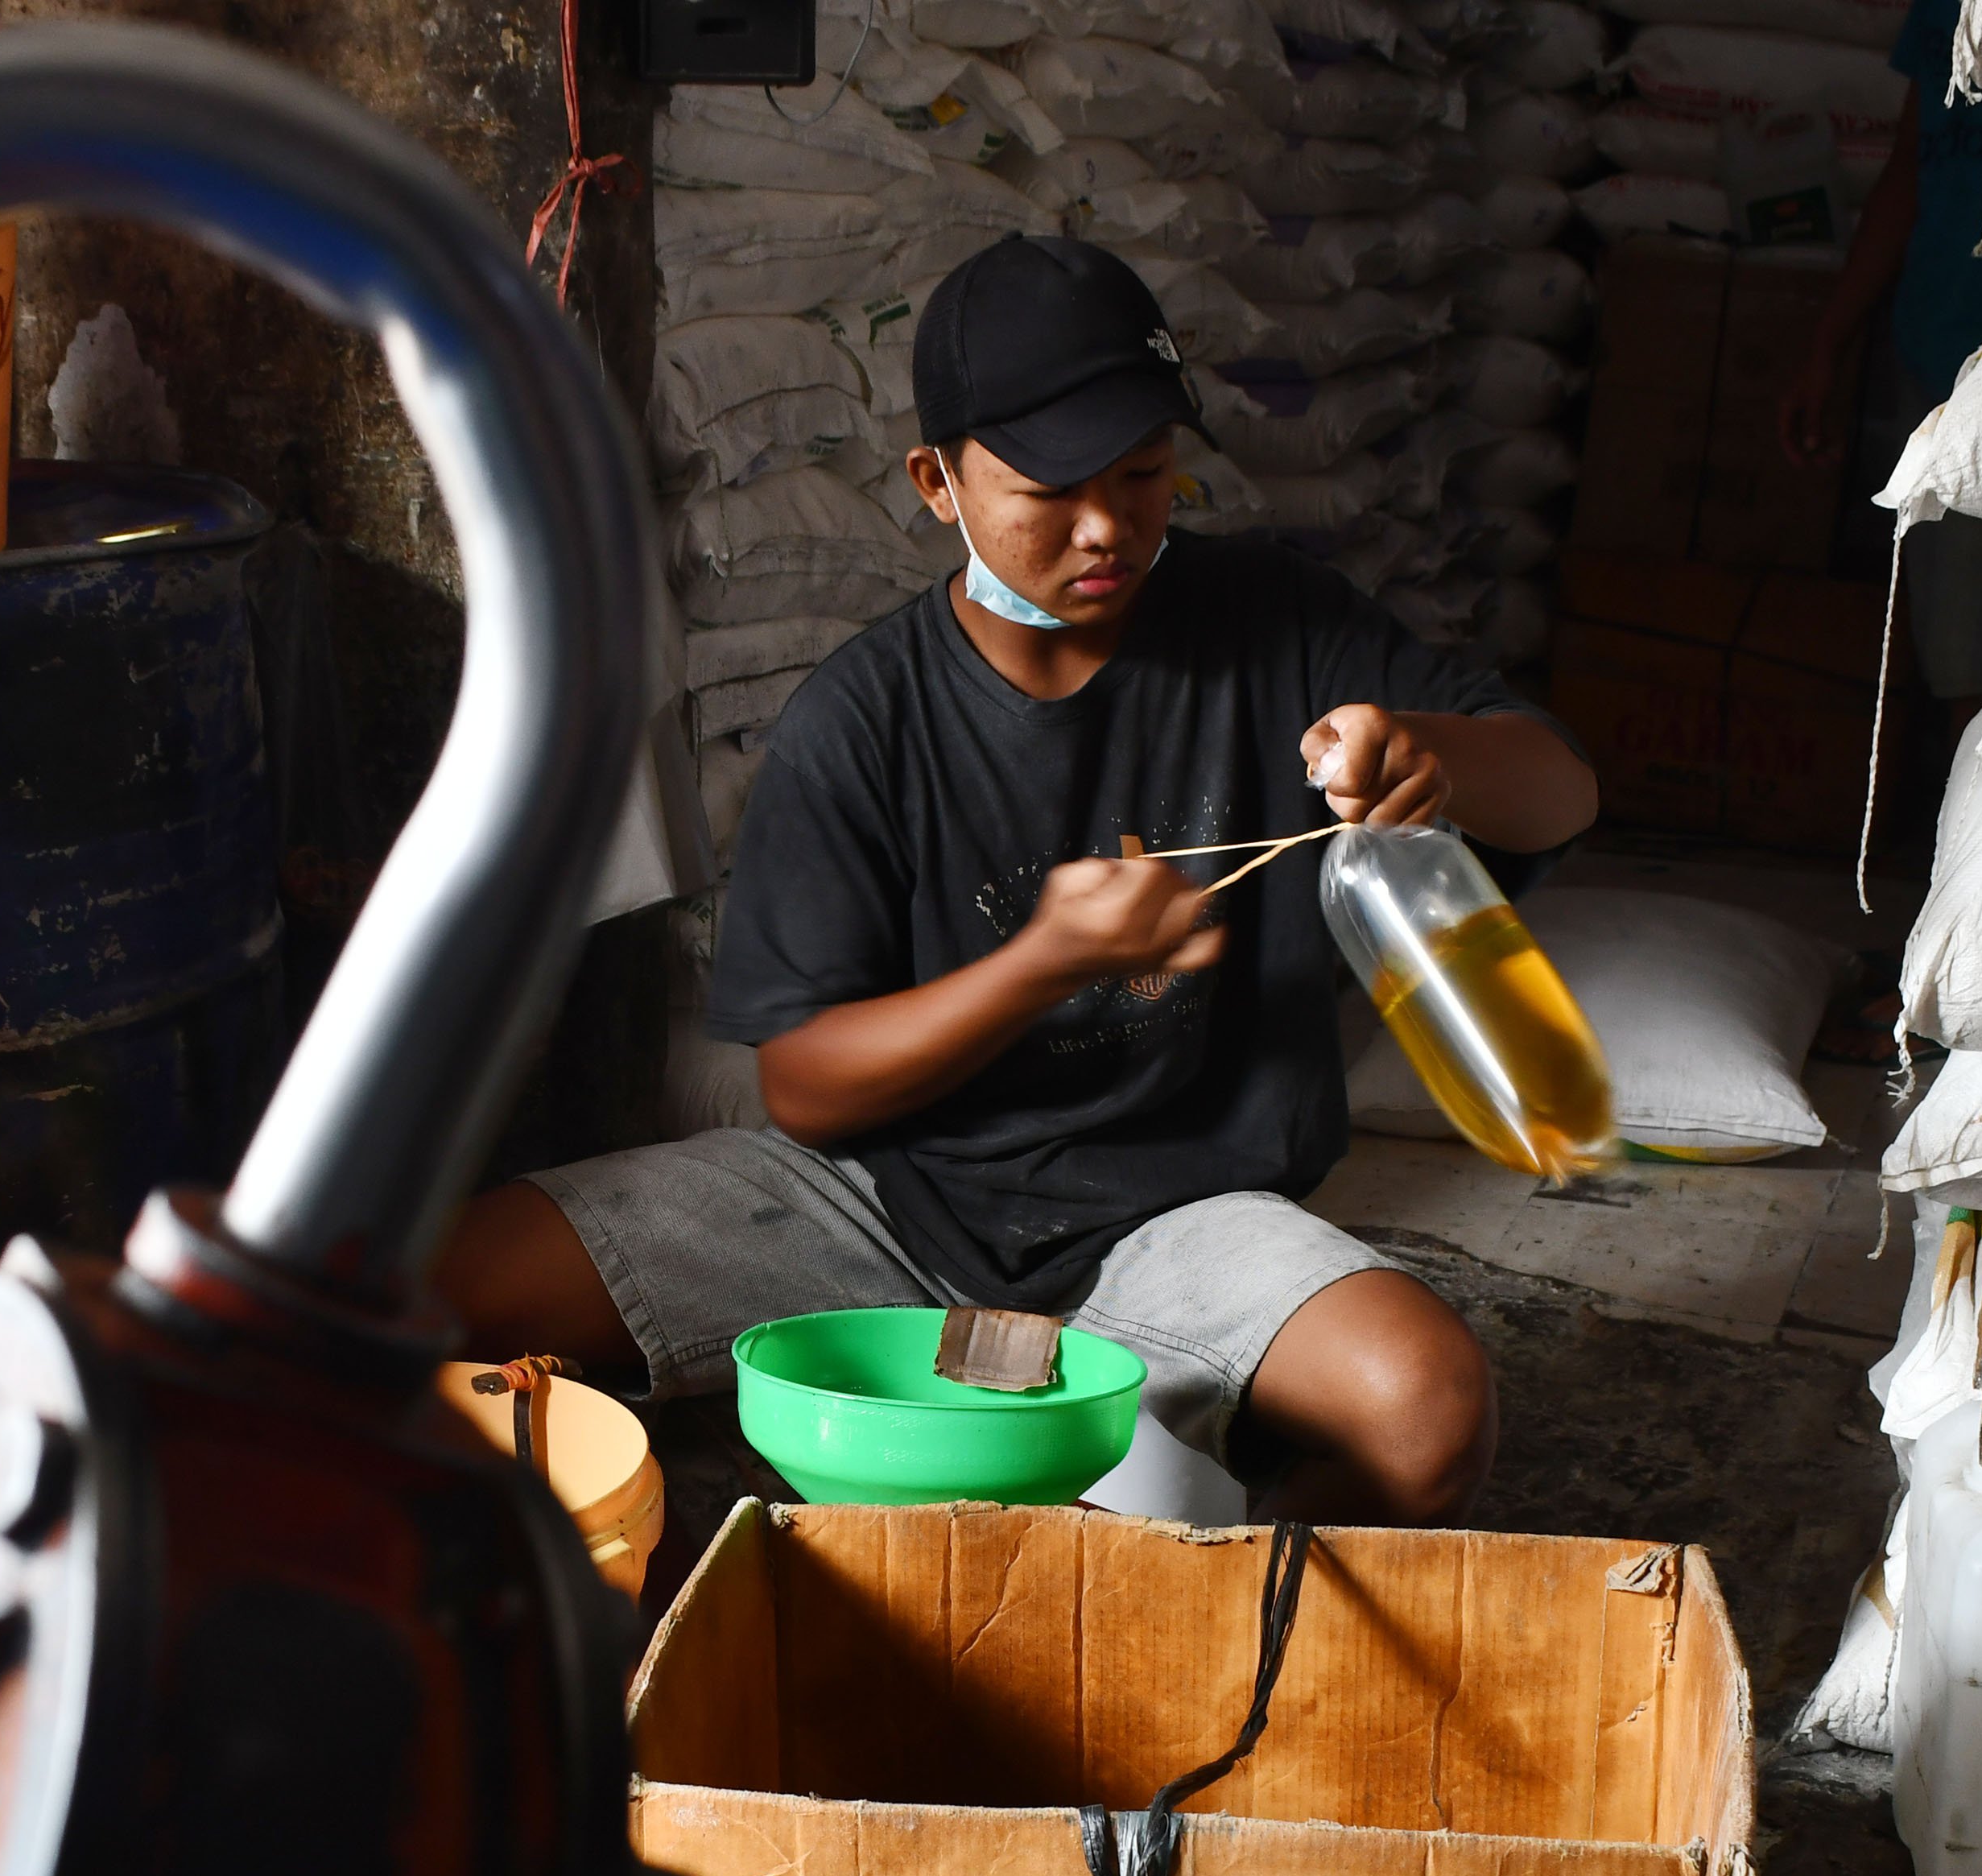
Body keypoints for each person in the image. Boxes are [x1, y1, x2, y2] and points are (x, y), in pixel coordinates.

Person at [442, 236, 1596, 1528]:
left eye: (1144, 474)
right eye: (1050, 487)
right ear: (938, 481)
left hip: (1181, 1217)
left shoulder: (1276, 627)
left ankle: (1205, 1608)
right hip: (879, 1203)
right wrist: (1042, 963)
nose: (1106, 527)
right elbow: (804, 1087)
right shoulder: (863, 718)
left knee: (1426, 1411)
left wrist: (1427, 753)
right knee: (436, 1278)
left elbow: (1561, 788)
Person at [1780, 0, 1982, 735]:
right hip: (1939, 361)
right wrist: (1828, 347)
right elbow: (1908, 171)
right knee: (1967, 658)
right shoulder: (1942, 13)